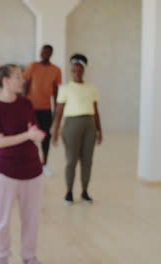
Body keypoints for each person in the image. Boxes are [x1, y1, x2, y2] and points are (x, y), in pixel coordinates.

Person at [0, 64, 45, 264]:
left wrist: (34, 135)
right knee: (2, 221)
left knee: (32, 220)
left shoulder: (27, 104)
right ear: (6, 81)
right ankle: (2, 258)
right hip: (5, 173)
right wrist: (28, 135)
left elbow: (32, 129)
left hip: (33, 171)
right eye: (18, 77)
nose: (23, 80)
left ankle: (29, 257)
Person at [52, 53, 103, 205]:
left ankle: (85, 191)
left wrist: (99, 130)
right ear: (71, 71)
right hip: (71, 125)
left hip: (89, 124)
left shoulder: (91, 88)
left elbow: (96, 110)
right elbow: (59, 112)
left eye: (79, 70)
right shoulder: (65, 88)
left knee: (87, 160)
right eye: (74, 70)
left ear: (83, 71)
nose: (77, 73)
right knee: (71, 159)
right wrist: (55, 132)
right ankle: (68, 191)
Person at [23, 44, 62, 177]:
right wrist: (23, 103)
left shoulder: (56, 70)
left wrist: (57, 108)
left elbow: (56, 90)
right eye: (42, 51)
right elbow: (26, 84)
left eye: (46, 52)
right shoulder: (33, 66)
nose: (43, 54)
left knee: (46, 137)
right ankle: (30, 163)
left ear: (50, 54)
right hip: (31, 108)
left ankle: (44, 165)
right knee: (30, 137)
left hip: (46, 109)